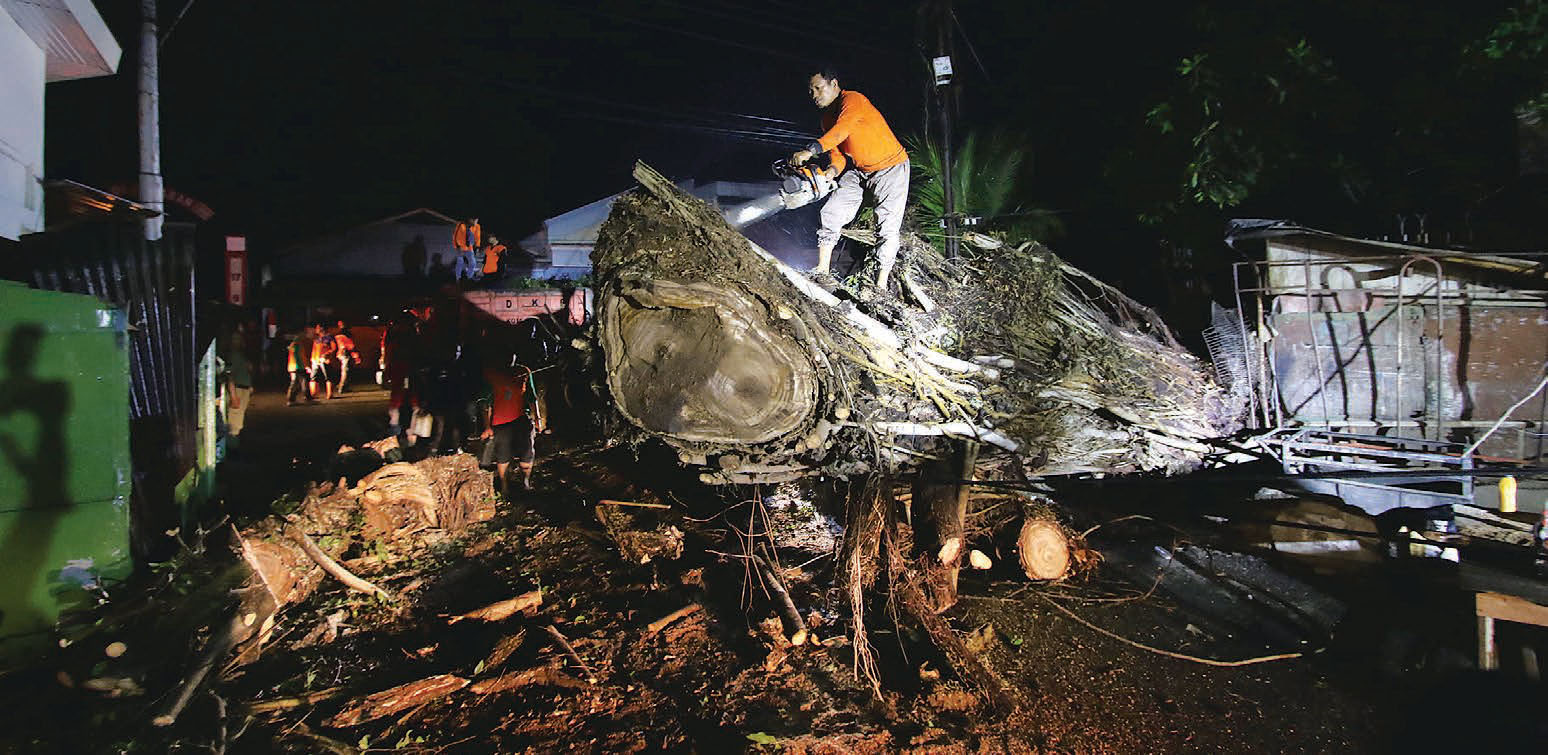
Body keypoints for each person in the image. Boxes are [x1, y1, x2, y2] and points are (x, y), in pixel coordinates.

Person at [788, 66, 910, 296]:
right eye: (811, 91)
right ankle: (822, 270)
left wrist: (810, 150)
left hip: (891, 167)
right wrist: (831, 173)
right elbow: (837, 156)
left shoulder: (853, 100)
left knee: (887, 225)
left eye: (818, 88)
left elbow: (842, 130)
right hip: (861, 170)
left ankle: (880, 287)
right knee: (832, 210)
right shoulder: (826, 120)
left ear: (834, 84)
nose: (814, 95)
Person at [480, 351, 541, 494]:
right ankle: (504, 485)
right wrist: (487, 427)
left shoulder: (523, 372)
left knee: (527, 452)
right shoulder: (491, 375)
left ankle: (525, 482)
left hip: (522, 419)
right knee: (503, 455)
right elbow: (485, 404)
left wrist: (537, 418)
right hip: (500, 422)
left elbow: (532, 397)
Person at [223, 331, 255, 448]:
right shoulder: (234, 355)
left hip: (242, 388)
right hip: (238, 389)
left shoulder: (239, 355)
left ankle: (233, 446)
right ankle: (232, 448)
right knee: (235, 422)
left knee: (237, 419)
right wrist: (233, 395)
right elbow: (230, 376)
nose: (237, 342)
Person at [285, 327, 314, 405]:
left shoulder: (294, 343)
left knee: (297, 382)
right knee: (299, 382)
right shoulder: (298, 343)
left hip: (293, 366)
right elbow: (300, 356)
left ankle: (293, 399)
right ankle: (295, 399)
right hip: (298, 366)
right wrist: (306, 366)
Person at [309, 323, 337, 401]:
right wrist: (312, 358)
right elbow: (314, 349)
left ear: (322, 328)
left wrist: (327, 354)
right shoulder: (317, 339)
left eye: (317, 328)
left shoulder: (329, 337)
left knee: (328, 376)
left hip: (324, 360)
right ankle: (313, 393)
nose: (316, 329)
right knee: (313, 377)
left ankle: (329, 393)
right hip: (316, 360)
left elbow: (334, 348)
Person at [452, 216, 482, 282]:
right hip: (461, 247)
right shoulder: (461, 225)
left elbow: (478, 237)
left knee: (473, 263)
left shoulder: (477, 226)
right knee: (460, 262)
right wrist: (457, 247)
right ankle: (458, 278)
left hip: (469, 247)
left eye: (477, 221)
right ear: (471, 220)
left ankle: (469, 277)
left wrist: (477, 246)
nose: (476, 222)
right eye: (475, 221)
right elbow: (455, 236)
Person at [332, 321, 357, 394]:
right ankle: (342, 387)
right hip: (345, 353)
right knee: (345, 370)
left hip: (340, 353)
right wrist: (355, 354)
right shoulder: (347, 334)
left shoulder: (337, 334)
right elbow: (351, 345)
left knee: (344, 370)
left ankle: (342, 385)